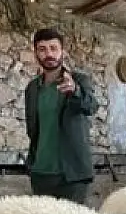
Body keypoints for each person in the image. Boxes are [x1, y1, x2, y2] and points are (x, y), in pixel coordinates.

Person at [23, 27, 98, 204]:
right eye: (42, 49)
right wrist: (32, 164)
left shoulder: (79, 80)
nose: (49, 54)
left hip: (72, 175)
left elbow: (92, 106)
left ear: (62, 52)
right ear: (36, 54)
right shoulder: (32, 88)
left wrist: (75, 92)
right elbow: (33, 128)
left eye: (53, 48)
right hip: (40, 173)